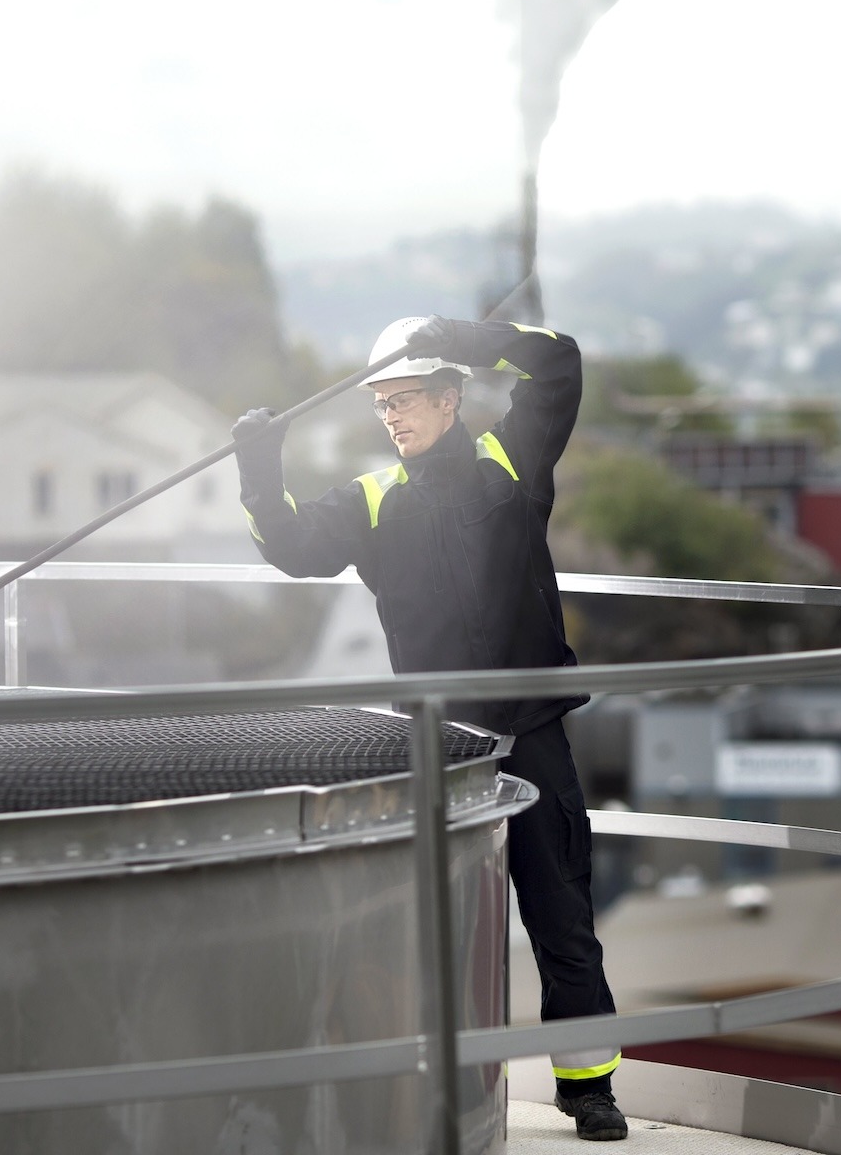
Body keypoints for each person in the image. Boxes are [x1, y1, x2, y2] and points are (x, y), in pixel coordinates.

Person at [232, 314, 627, 1142]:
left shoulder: (512, 461)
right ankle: (443, 1082)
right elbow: (293, 548)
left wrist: (473, 333)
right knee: (444, 928)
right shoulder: (374, 503)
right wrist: (259, 468)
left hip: (534, 730)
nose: (394, 416)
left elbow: (557, 365)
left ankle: (588, 1086)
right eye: (383, 405)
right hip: (440, 750)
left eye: (407, 398)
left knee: (560, 911)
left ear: (451, 399)